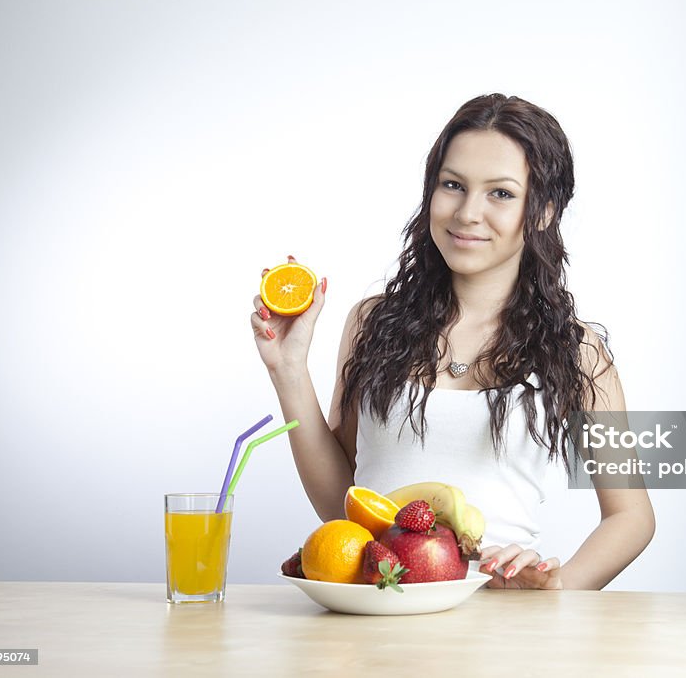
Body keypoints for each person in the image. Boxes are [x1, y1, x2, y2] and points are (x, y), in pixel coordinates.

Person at [250, 94, 655, 590]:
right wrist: (287, 370)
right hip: (376, 607)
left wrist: (557, 589)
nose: (467, 213)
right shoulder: (373, 323)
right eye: (453, 185)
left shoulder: (578, 350)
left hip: (500, 623)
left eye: (501, 194)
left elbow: (631, 516)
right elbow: (345, 500)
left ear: (544, 211)